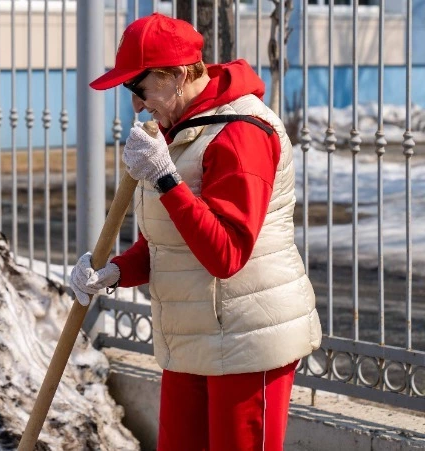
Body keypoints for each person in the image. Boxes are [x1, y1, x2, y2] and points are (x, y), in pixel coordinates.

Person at [69, 13, 322, 451]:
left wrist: (166, 179)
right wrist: (116, 271)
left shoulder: (241, 133)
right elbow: (173, 241)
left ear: (178, 75)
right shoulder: (184, 128)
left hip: (248, 339)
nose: (136, 104)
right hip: (194, 337)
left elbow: (226, 253)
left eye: (139, 87)